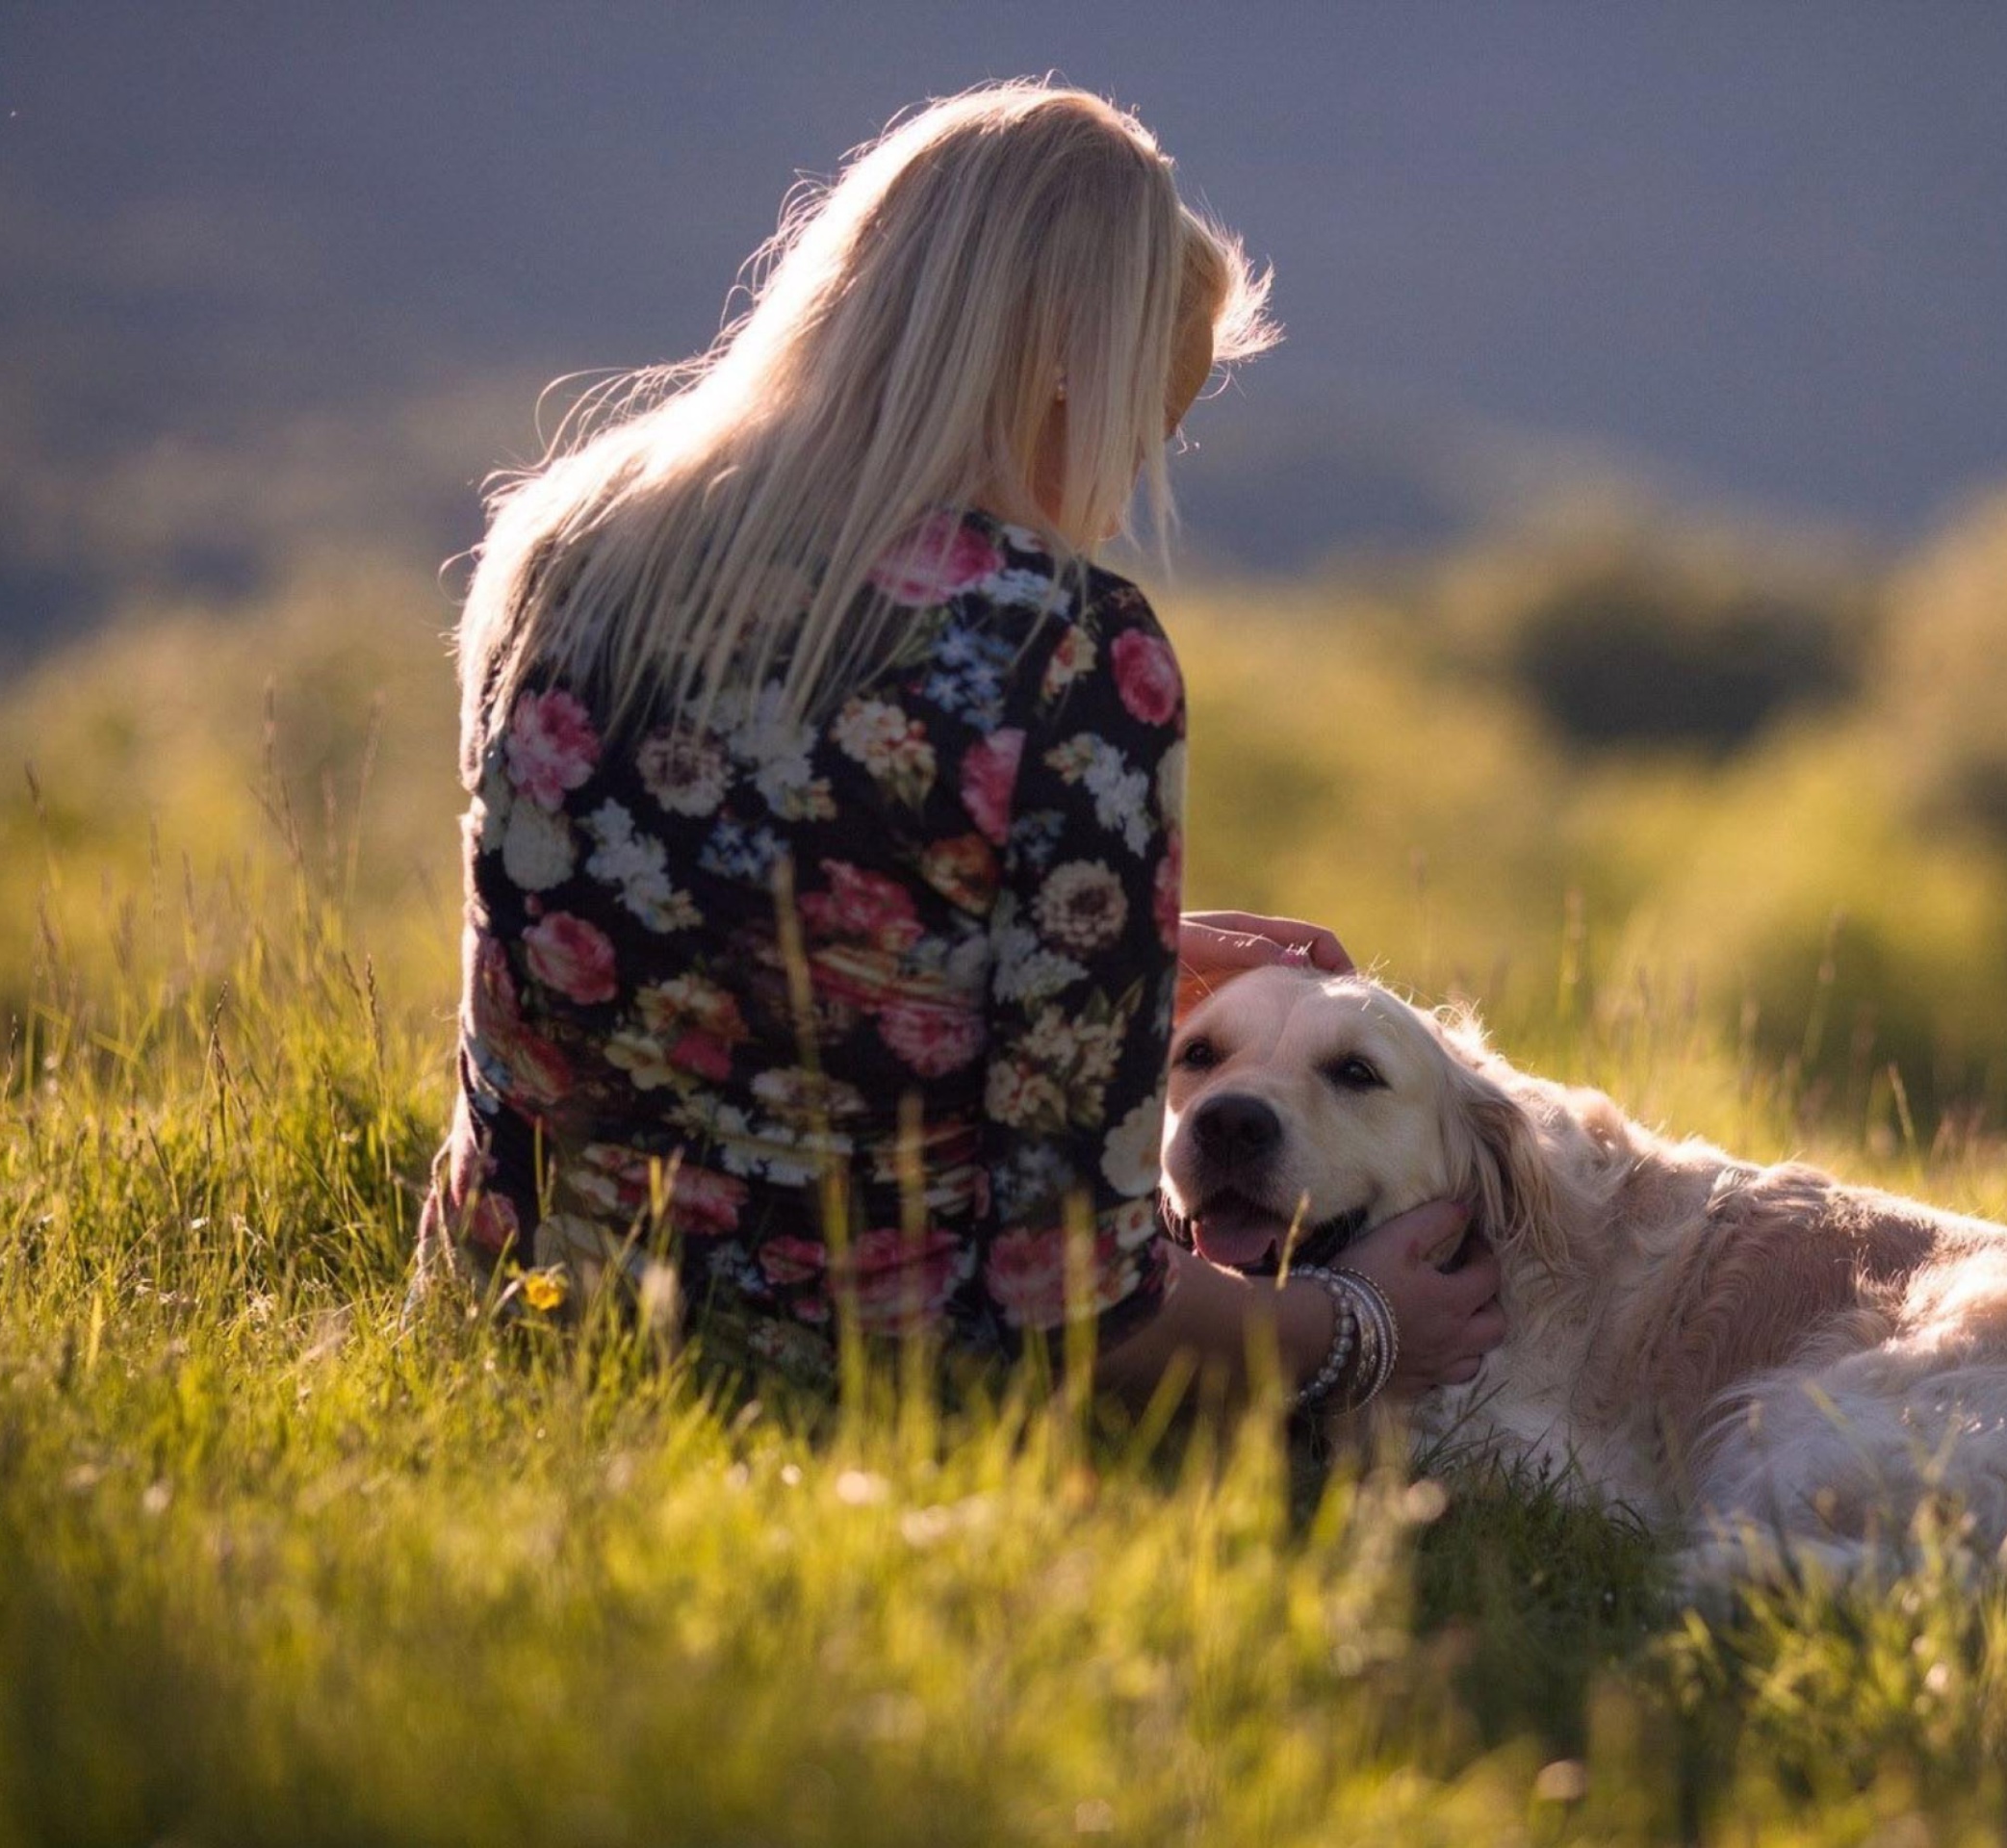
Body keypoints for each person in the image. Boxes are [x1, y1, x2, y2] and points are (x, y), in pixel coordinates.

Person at [416, 79, 1504, 1412]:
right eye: (1137, 429)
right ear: (1064, 372)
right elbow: (1081, 1309)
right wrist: (1362, 1327)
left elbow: (666, 935)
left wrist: (1108, 971)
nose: (1105, 509)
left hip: (518, 1319)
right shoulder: (1066, 647)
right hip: (859, 1388)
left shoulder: (564, 546)